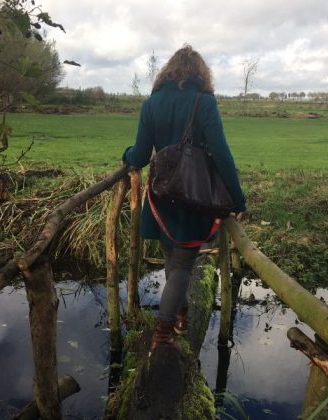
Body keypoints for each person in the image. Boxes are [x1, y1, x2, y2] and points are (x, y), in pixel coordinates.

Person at [122, 44, 246, 352]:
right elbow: (222, 154)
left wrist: (127, 155)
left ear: (169, 71)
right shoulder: (204, 102)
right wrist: (238, 199)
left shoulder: (151, 104)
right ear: (200, 73)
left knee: (171, 260)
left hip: (161, 196)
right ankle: (162, 335)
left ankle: (180, 313)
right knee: (181, 267)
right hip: (193, 199)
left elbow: (139, 156)